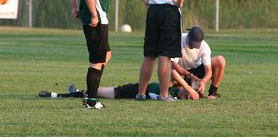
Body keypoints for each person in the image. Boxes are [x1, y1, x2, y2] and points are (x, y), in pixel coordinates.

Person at [66, 0, 125, 109]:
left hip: (91, 19)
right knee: (96, 61)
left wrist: (74, 7)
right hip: (96, 21)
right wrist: (93, 14)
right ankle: (91, 101)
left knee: (106, 55)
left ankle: (92, 90)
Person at [130, 0, 192, 101]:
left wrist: (146, 0)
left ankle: (141, 93)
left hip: (153, 11)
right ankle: (164, 95)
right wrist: (179, 3)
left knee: (150, 55)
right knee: (165, 56)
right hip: (169, 12)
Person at [38, 70, 200, 100]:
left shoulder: (174, 98)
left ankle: (59, 95)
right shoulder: (172, 87)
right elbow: (171, 72)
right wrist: (189, 88)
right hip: (134, 89)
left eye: (187, 96)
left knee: (95, 92)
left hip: (128, 93)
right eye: (186, 92)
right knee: (94, 92)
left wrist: (191, 93)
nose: (185, 94)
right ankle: (62, 94)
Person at [171, 26, 226, 99]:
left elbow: (208, 70)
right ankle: (179, 90)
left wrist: (203, 81)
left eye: (196, 44)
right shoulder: (178, 40)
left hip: (196, 70)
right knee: (171, 70)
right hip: (181, 73)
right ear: (188, 36)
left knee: (220, 60)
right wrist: (190, 75)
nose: (194, 46)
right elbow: (173, 64)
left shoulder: (204, 46)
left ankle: (213, 92)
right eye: (192, 43)